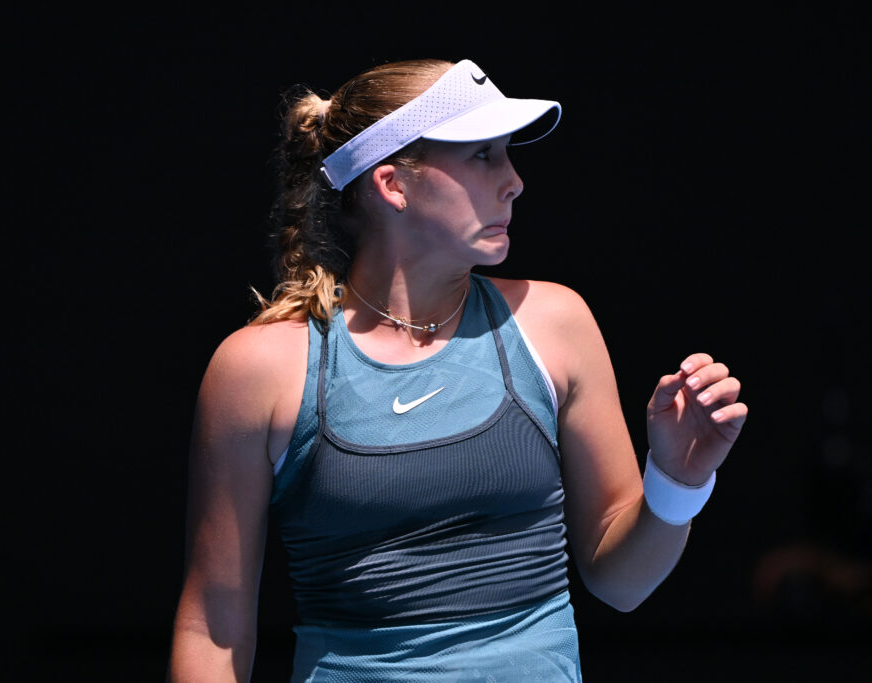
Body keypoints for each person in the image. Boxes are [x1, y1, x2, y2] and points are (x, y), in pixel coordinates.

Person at [168, 57, 748, 682]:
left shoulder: (557, 323)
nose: (514, 181)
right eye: (482, 155)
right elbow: (213, 629)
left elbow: (623, 583)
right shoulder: (257, 369)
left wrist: (675, 482)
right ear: (393, 184)